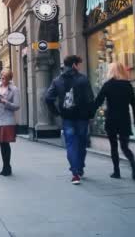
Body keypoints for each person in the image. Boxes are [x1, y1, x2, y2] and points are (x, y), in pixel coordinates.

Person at [45, 55, 95, 185]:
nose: (80, 67)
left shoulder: (57, 80)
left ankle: (75, 173)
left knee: (71, 144)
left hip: (67, 118)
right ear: (74, 65)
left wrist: (56, 112)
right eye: (79, 64)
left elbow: (48, 98)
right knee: (82, 143)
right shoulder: (83, 79)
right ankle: (80, 167)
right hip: (82, 118)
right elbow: (90, 99)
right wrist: (91, 114)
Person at [94, 62, 135, 180]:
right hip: (124, 118)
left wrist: (89, 112)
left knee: (113, 146)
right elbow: (134, 104)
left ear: (111, 71)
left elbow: (98, 101)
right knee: (125, 146)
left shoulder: (108, 85)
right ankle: (133, 163)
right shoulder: (127, 85)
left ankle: (117, 172)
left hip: (112, 119)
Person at [0, 69, 20, 177]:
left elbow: (17, 106)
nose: (3, 79)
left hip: (7, 119)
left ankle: (7, 166)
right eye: (2, 77)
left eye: (5, 78)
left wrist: (5, 102)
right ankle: (5, 166)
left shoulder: (14, 89)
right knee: (1, 143)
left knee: (6, 143)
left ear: (9, 79)